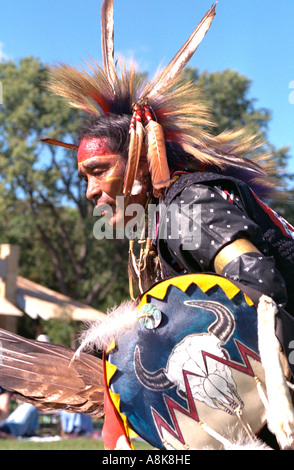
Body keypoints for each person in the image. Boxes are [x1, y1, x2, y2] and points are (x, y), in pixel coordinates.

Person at [44, 1, 294, 363]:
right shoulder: (168, 217)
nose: (90, 191)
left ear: (142, 160)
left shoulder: (190, 206)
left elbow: (262, 291)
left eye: (99, 170)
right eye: (84, 177)